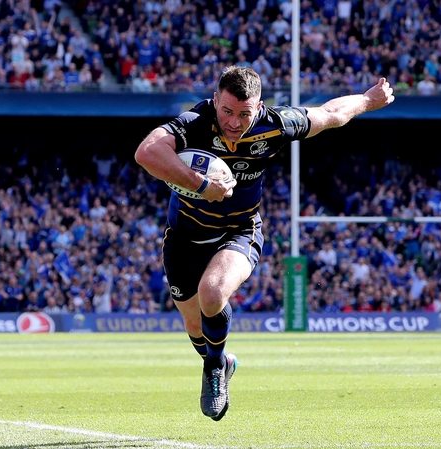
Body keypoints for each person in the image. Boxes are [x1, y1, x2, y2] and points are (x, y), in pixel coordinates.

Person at [134, 66, 395, 420]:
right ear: (215, 101)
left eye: (244, 114)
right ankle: (221, 361)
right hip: (185, 237)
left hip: (239, 230)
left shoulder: (275, 124)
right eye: (227, 111)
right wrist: (201, 185)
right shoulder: (195, 122)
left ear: (258, 107)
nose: (234, 122)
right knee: (194, 325)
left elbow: (330, 114)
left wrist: (366, 99)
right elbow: (147, 152)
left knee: (213, 292)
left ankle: (213, 368)